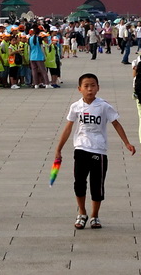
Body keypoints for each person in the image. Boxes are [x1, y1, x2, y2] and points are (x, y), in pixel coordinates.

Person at [54, 73, 135, 230]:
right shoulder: (76, 107)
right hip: (80, 148)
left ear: (98, 88)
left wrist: (127, 143)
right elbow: (68, 128)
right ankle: (82, 212)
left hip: (99, 150)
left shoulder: (104, 106)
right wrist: (59, 149)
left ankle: (95, 215)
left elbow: (116, 124)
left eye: (93, 85)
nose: (89, 89)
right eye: (86, 86)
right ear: (79, 89)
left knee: (97, 185)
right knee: (79, 182)